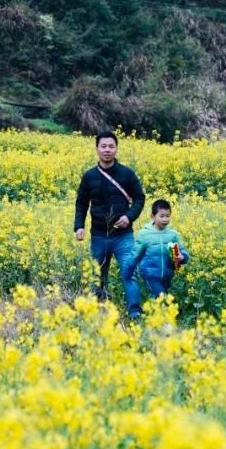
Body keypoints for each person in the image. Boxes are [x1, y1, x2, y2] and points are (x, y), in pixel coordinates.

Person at [74, 131, 145, 319]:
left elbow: (139, 198)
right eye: (103, 146)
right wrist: (78, 226)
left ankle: (135, 314)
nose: (107, 150)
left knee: (130, 273)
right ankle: (97, 311)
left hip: (123, 235)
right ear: (97, 149)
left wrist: (129, 217)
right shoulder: (89, 176)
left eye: (111, 146)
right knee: (98, 276)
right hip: (99, 235)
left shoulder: (127, 174)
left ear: (116, 148)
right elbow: (81, 203)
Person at [132, 199, 190, 301]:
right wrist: (130, 270)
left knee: (160, 298)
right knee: (162, 297)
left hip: (167, 274)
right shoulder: (144, 234)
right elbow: (135, 254)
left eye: (168, 216)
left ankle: (156, 314)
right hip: (150, 273)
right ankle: (173, 312)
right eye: (162, 216)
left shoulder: (173, 234)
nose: (165, 219)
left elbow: (181, 251)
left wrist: (182, 257)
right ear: (153, 216)